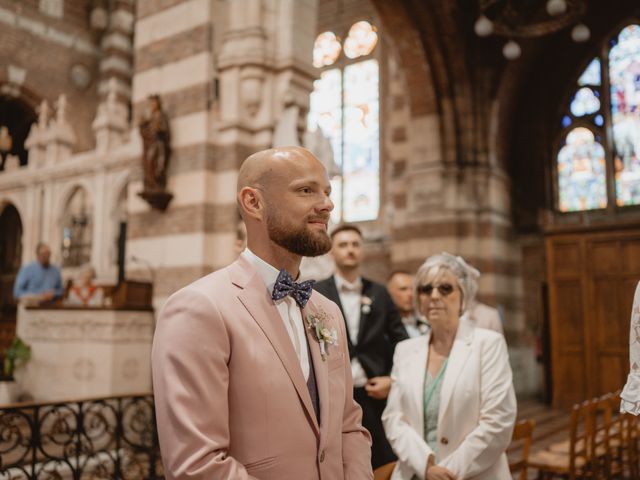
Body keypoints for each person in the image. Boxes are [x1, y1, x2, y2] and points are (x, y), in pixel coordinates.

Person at [152, 146, 372, 479]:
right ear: (254, 202)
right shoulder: (199, 308)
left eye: (327, 192)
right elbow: (196, 465)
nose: (327, 204)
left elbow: (348, 427)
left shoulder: (328, 312)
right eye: (305, 190)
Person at [382, 253, 516, 480]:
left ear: (464, 295)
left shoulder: (487, 344)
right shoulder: (405, 350)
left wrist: (447, 472)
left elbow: (498, 421)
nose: (434, 296)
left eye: (445, 288)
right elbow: (394, 419)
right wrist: (425, 466)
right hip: (417, 473)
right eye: (425, 289)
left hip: (472, 474)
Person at [314, 225, 409, 469]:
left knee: (383, 460)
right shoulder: (315, 292)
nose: (350, 250)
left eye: (355, 244)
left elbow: (403, 343)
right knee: (338, 461)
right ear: (331, 252)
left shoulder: (379, 293)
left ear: (362, 251)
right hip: (331, 395)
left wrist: (393, 379)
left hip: (374, 393)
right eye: (343, 245)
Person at [459, 258, 504, 334]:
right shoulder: (446, 314)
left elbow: (498, 344)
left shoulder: (490, 315)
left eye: (470, 279)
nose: (466, 284)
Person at [139, 94, 171, 192]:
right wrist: (142, 125)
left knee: (155, 160)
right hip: (150, 144)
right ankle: (151, 183)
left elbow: (165, 129)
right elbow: (145, 131)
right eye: (151, 103)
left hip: (158, 142)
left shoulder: (161, 115)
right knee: (148, 162)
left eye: (154, 102)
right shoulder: (150, 117)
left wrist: (159, 129)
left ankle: (158, 178)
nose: (152, 105)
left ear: (158, 104)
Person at [387, 270, 429, 338]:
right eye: (403, 289)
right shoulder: (382, 329)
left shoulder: (427, 322)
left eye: (413, 289)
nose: (410, 294)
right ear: (389, 293)